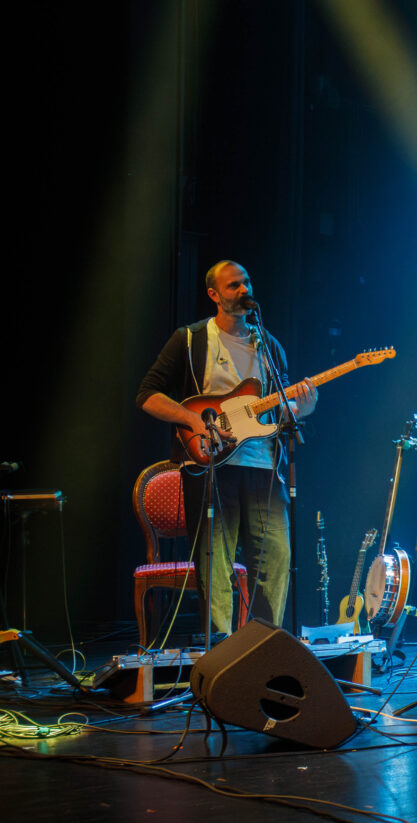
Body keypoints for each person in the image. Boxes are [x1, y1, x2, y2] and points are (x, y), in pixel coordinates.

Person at [136, 260, 317, 637]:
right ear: (214, 295)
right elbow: (148, 395)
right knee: (215, 563)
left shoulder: (269, 345)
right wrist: (193, 420)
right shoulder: (190, 339)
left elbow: (282, 409)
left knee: (275, 559)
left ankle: (267, 643)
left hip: (264, 467)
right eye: (233, 285)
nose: (243, 290)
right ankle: (219, 649)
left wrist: (304, 407)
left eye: (246, 282)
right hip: (211, 465)